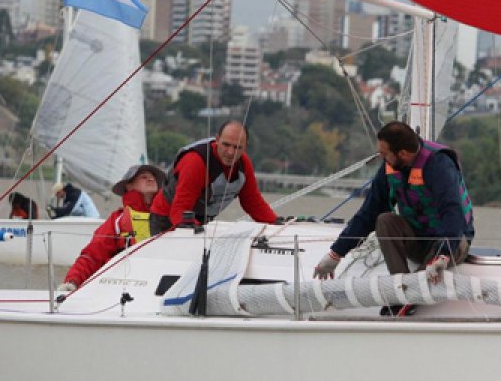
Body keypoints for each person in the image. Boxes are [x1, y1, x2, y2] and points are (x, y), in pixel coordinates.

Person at [314, 121, 474, 316]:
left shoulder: (439, 165)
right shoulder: (389, 167)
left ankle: (412, 292)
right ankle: (400, 286)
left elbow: (453, 213)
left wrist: (443, 254)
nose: (381, 157)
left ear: (403, 154)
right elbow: (368, 214)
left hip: (451, 241)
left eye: (384, 153)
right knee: (384, 220)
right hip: (417, 238)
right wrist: (336, 254)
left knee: (443, 241)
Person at [149, 120, 277, 234]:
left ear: (245, 147)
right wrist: (199, 232)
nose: (231, 152)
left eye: (237, 147)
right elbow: (180, 210)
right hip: (166, 218)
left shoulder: (244, 164)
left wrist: (275, 222)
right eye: (226, 145)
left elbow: (253, 202)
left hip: (201, 219)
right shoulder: (195, 162)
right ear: (217, 140)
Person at [58, 164, 164, 292]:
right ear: (129, 186)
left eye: (153, 177)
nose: (151, 179)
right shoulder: (117, 221)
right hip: (131, 287)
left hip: (161, 283)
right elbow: (92, 255)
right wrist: (73, 281)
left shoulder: (169, 215)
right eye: (144, 177)